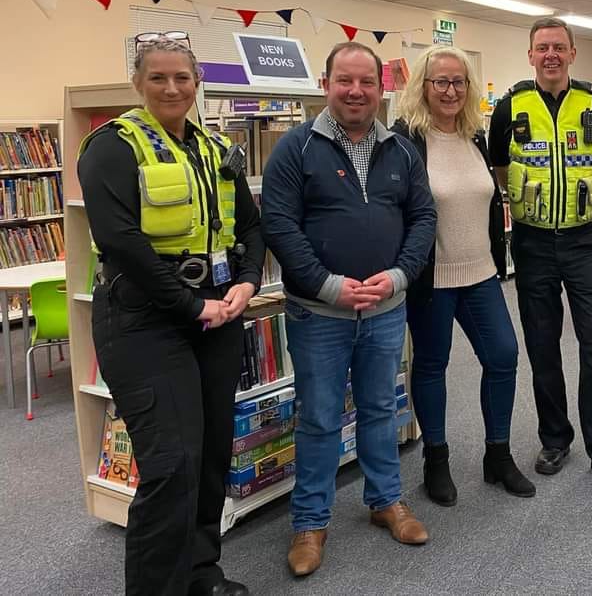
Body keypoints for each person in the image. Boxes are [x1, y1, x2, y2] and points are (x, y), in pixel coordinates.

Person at [79, 33, 265, 596]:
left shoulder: (214, 150)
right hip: (143, 322)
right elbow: (121, 243)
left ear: (196, 83)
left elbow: (251, 227)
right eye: (158, 77)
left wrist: (248, 284)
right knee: (171, 464)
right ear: (138, 83)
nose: (171, 87)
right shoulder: (110, 147)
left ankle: (200, 573)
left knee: (210, 455)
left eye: (182, 77)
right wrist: (191, 303)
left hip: (218, 316)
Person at [260, 42, 437, 577]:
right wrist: (327, 285)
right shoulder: (294, 148)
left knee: (382, 406)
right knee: (317, 418)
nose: (356, 91)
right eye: (345, 80)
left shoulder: (402, 150)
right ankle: (310, 523)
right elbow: (279, 225)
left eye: (366, 82)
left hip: (387, 309)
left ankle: (386, 502)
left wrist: (402, 273)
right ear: (326, 83)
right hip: (320, 315)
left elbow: (423, 217)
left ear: (381, 89)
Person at [488, 17, 592, 493]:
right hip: (531, 244)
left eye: (558, 47)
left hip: (581, 241)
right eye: (541, 47)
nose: (550, 54)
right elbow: (498, 165)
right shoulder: (510, 105)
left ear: (573, 53)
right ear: (531, 56)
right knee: (543, 348)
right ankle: (555, 439)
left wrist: (578, 194)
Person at [390, 45, 534, 504]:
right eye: (441, 82)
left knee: (503, 356)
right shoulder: (404, 140)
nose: (450, 91)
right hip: (432, 277)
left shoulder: (476, 135)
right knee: (432, 366)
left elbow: (489, 201)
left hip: (481, 272)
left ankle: (498, 455)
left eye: (458, 82)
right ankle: (436, 459)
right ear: (423, 87)